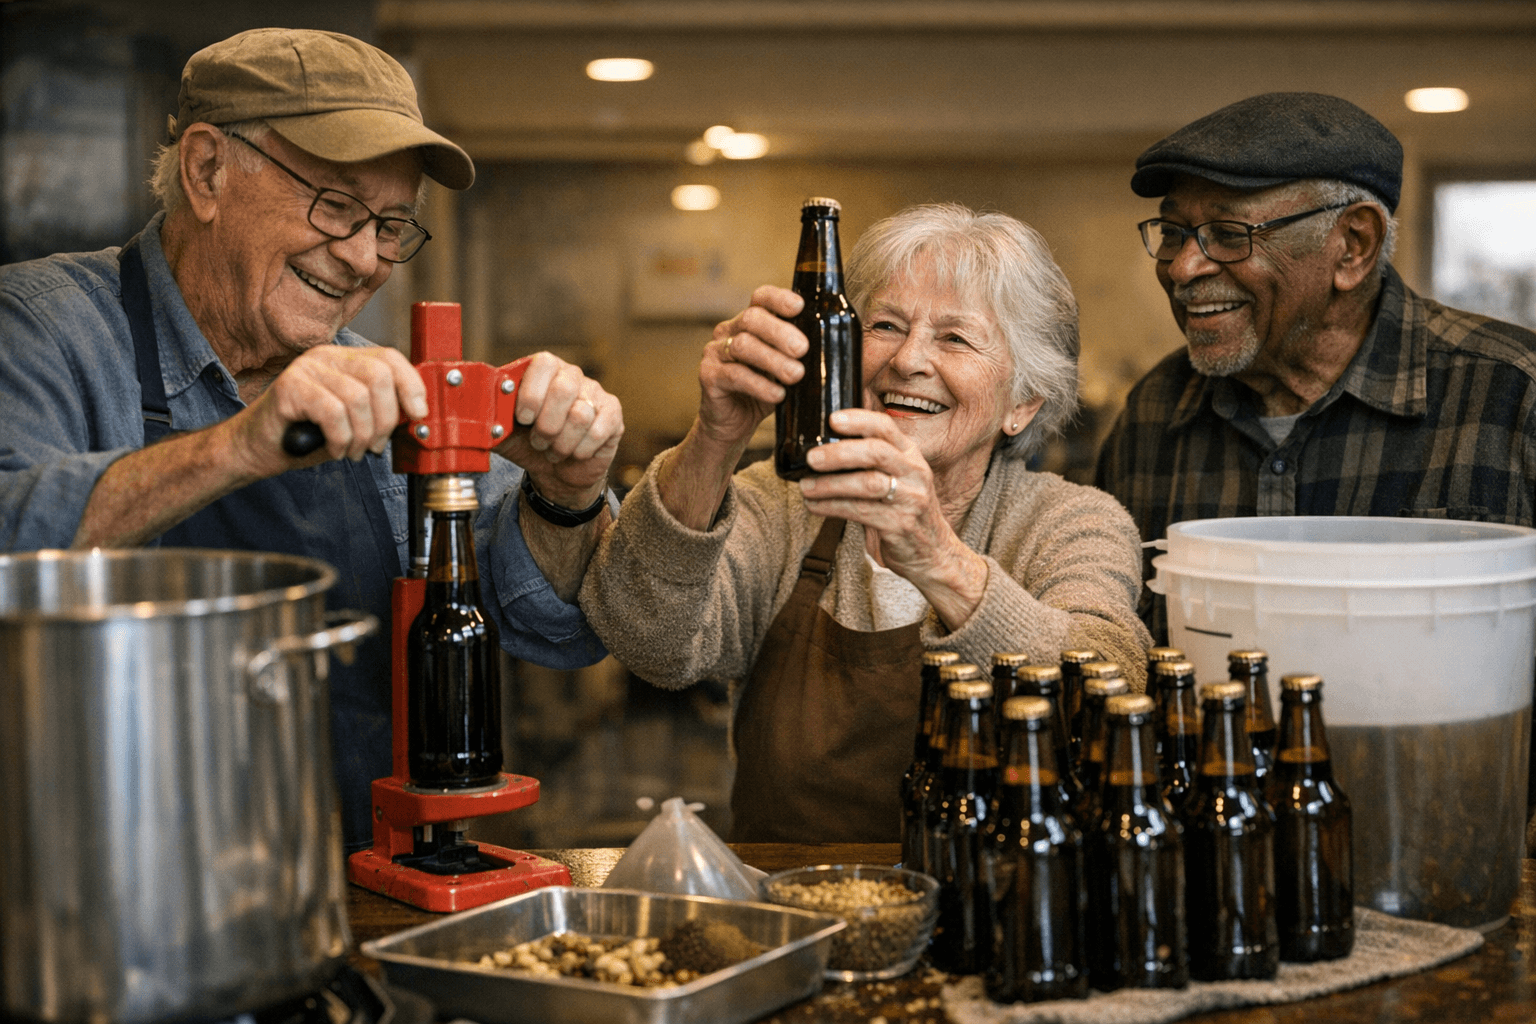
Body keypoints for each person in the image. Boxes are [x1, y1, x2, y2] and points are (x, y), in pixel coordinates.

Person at [0, 28, 623, 852]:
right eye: (335, 205)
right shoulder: (43, 327)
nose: (365, 256)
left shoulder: (384, 387)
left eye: (391, 224)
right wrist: (238, 445)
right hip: (112, 889)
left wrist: (565, 496)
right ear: (207, 170)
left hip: (348, 879)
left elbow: (554, 630)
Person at [580, 203, 1153, 843]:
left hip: (997, 905)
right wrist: (716, 438)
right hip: (795, 902)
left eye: (955, 338)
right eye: (885, 325)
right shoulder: (782, 500)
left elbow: (1111, 687)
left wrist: (938, 558)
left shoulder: (1072, 521)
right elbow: (647, 640)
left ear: (1023, 403)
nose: (908, 360)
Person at [1095, 92, 1536, 641]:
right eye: (1172, 233)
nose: (1183, 268)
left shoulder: (1513, 399)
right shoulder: (1155, 413)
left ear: (1354, 246)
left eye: (1231, 235)